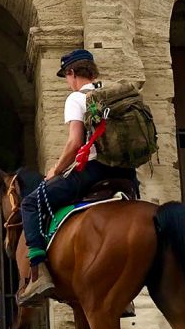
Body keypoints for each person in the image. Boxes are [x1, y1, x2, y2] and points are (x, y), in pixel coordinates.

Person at [17, 49, 139, 306]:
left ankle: (39, 272)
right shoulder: (113, 94)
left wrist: (56, 171)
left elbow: (74, 144)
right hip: (128, 177)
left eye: (66, 76)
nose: (67, 82)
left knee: (30, 203)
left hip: (95, 171)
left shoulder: (77, 98)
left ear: (72, 73)